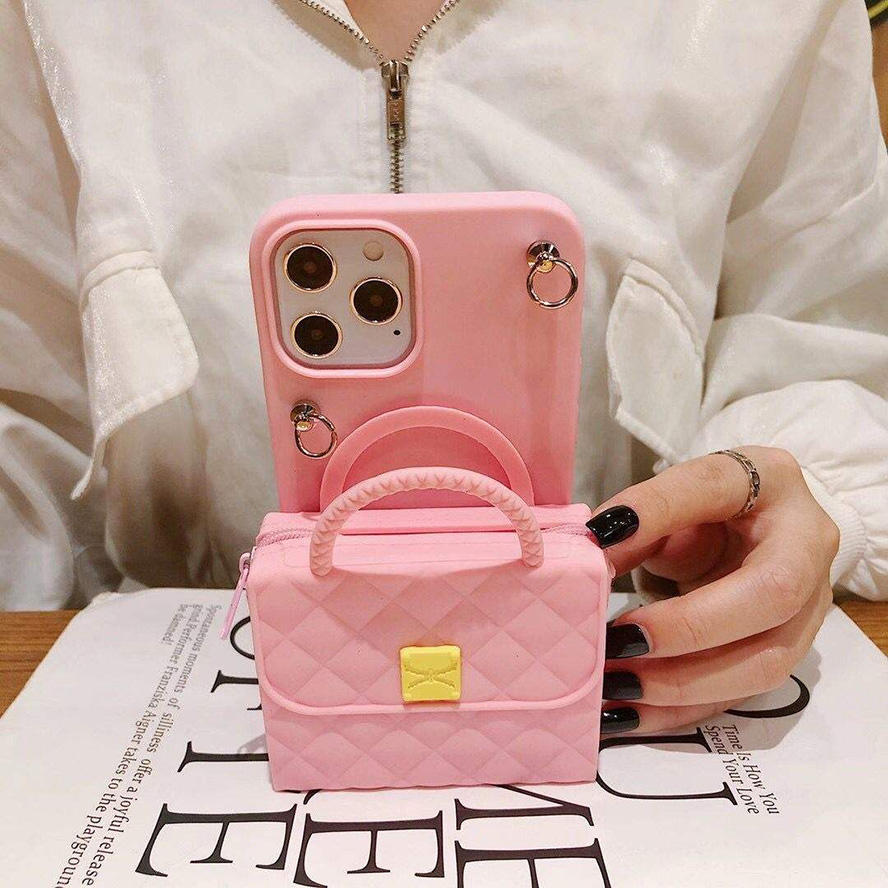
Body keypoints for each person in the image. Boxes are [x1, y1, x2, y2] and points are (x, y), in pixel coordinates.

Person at [1, 0, 886, 736]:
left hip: (602, 667)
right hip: (198, 691)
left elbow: (825, 330)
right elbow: (25, 406)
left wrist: (787, 496)